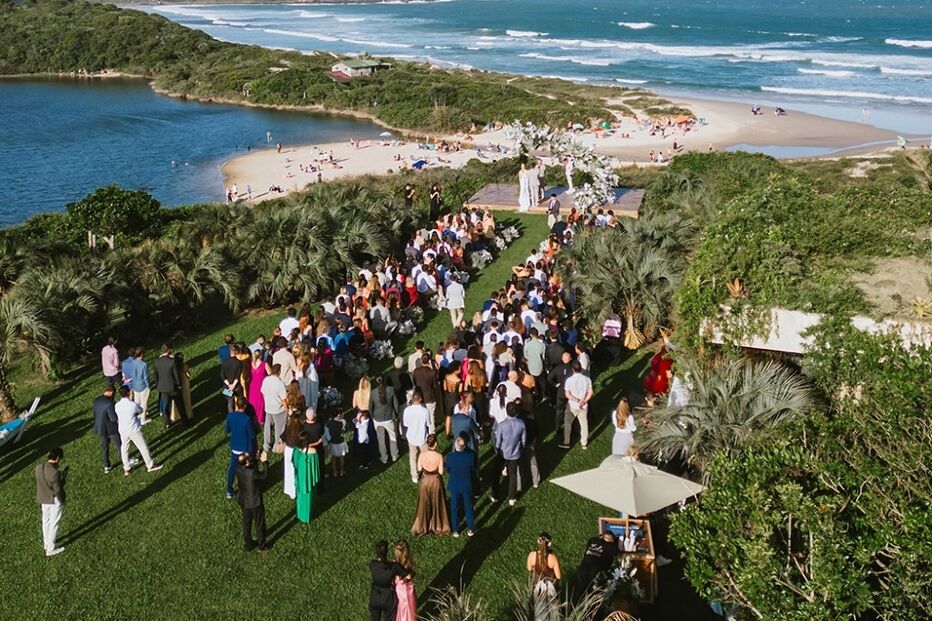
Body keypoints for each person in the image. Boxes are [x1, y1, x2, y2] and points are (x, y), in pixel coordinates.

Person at [115, 386, 163, 476]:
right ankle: (150, 465)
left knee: (124, 448)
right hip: (133, 429)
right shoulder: (132, 405)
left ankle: (127, 468)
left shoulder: (117, 405)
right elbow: (140, 410)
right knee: (143, 447)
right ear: (128, 393)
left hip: (122, 429)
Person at [411, 434, 451, 536]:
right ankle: (437, 524)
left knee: (424, 503)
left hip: (425, 481)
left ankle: (422, 525)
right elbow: (441, 472)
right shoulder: (439, 456)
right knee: (437, 502)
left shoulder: (422, 454)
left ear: (427, 443)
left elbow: (419, 468)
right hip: (435, 481)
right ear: (435, 443)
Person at [235, 450, 270, 552]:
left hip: (244, 501)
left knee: (247, 523)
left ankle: (248, 544)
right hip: (254, 502)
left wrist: (256, 459)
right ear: (246, 462)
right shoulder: (252, 473)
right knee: (259, 523)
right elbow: (264, 475)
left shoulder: (238, 468)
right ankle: (262, 545)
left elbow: (249, 465)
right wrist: (265, 462)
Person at [492, 403, 526, 506]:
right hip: (515, 453)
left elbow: (498, 442)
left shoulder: (501, 425)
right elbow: (523, 440)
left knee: (496, 474)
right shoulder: (521, 423)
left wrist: (498, 448)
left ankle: (495, 495)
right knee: (513, 475)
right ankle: (511, 497)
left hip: (503, 453)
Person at [36, 447, 67, 556]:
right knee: (54, 523)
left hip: (43, 498)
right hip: (53, 499)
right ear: (57, 458)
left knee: (46, 521)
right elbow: (57, 489)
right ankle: (50, 548)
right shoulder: (55, 473)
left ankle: (46, 543)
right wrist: (62, 499)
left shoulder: (39, 467)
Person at [369, 539, 409, 621]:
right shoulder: (394, 566)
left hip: (375, 597)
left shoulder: (372, 564)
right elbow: (408, 575)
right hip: (388, 598)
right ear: (387, 551)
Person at [225, 395, 256, 499]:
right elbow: (252, 435)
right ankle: (249, 488)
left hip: (235, 447)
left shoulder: (230, 416)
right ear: (245, 406)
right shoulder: (247, 419)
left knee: (232, 469)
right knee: (248, 469)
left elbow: (227, 430)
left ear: (236, 405)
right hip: (246, 449)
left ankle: (229, 490)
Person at [445, 435, 477, 537]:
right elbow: (473, 469)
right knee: (468, 506)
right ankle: (470, 528)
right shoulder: (470, 456)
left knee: (454, 507)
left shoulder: (450, 457)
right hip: (466, 484)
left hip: (454, 484)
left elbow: (448, 469)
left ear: (455, 446)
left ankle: (455, 529)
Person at [572, 532, 617, 601]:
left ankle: (576, 604)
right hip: (595, 572)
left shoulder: (592, 540)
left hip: (583, 568)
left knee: (578, 591)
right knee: (591, 593)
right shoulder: (611, 547)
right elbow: (613, 556)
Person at [527, 533, 562, 619]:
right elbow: (558, 576)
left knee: (539, 612)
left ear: (538, 541)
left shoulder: (532, 555)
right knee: (553, 612)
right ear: (549, 544)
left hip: (538, 587)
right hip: (550, 587)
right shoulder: (552, 558)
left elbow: (529, 568)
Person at [560, 361, 592, 450]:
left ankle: (566, 442)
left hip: (572, 405)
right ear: (581, 368)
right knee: (584, 424)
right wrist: (584, 400)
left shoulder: (569, 380)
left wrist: (577, 400)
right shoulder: (587, 379)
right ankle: (584, 443)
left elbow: (567, 394)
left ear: (572, 369)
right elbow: (590, 392)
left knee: (567, 423)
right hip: (583, 405)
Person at [153, 344, 187, 428]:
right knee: (180, 405)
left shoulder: (156, 361)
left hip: (163, 388)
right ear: (168, 350)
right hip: (173, 387)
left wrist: (158, 385)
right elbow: (176, 375)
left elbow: (155, 375)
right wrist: (179, 384)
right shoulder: (172, 362)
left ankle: (167, 422)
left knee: (166, 406)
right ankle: (185, 421)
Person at [292, 430, 321, 524]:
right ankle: (306, 516)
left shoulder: (296, 450)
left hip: (300, 477)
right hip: (309, 478)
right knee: (308, 497)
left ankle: (300, 514)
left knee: (300, 496)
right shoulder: (313, 451)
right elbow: (316, 466)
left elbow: (294, 462)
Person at [402, 390, 431, 484]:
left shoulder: (407, 410)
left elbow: (405, 424)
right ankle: (427, 470)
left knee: (412, 457)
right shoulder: (425, 411)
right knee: (425, 455)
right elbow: (429, 423)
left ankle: (414, 475)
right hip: (422, 437)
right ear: (420, 399)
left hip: (411, 437)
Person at [92, 385, 121, 474]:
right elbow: (113, 418)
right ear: (111, 392)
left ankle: (106, 465)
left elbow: (94, 414)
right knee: (120, 445)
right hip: (111, 429)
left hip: (100, 428)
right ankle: (126, 461)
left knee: (105, 447)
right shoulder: (109, 403)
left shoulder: (96, 400)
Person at [370, 376, 399, 464]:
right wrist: (397, 414)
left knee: (381, 439)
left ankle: (384, 457)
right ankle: (394, 455)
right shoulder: (391, 389)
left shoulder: (373, 392)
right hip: (389, 418)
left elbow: (370, 406)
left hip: (377, 419)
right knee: (393, 436)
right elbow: (396, 404)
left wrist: (372, 416)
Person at [260, 364, 287, 453]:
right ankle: (276, 447)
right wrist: (286, 408)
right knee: (279, 429)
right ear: (279, 372)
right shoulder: (280, 383)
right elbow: (284, 398)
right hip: (278, 410)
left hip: (268, 407)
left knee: (267, 427)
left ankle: (266, 445)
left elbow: (263, 392)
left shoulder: (266, 380)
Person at [394, 539, 417, 621]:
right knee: (409, 611)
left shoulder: (394, 564)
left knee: (402, 610)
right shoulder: (408, 563)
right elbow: (411, 575)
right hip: (408, 590)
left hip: (399, 590)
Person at [128, 348, 151, 425]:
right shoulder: (144, 364)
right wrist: (148, 385)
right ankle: (143, 419)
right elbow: (145, 377)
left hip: (135, 385)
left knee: (137, 402)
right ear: (142, 354)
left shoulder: (132, 362)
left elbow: (131, 374)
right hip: (143, 386)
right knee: (144, 403)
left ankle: (137, 416)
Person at [248, 348, 269, 425]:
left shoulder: (250, 364)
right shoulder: (264, 364)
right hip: (261, 385)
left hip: (252, 385)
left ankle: (252, 417)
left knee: (253, 401)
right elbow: (270, 374)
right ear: (260, 356)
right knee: (261, 402)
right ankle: (260, 419)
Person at [324, 410, 348, 477]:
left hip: (332, 443)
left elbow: (327, 433)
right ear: (338, 415)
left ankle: (335, 472)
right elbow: (346, 429)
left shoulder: (328, 423)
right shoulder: (343, 422)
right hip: (341, 442)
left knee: (333, 458)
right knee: (341, 457)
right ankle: (341, 471)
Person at [221, 344, 242, 412]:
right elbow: (238, 376)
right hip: (236, 386)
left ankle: (231, 415)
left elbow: (222, 374)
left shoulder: (224, 362)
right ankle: (239, 413)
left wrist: (228, 384)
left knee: (230, 402)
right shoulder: (238, 363)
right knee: (239, 400)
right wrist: (233, 385)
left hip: (227, 386)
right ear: (236, 352)